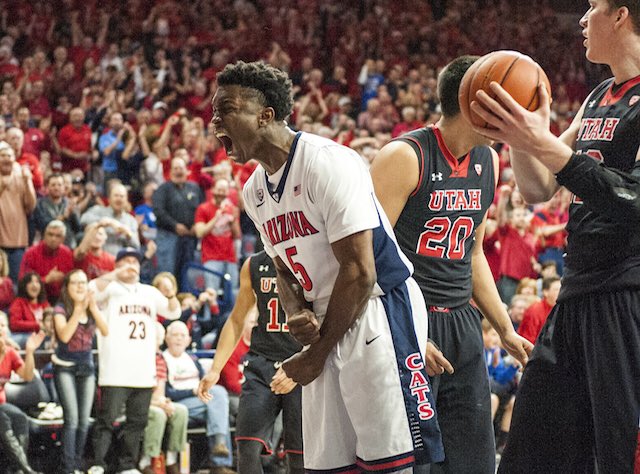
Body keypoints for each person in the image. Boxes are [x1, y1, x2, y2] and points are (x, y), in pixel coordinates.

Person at [211, 61, 443, 472]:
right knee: (329, 465)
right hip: (326, 318)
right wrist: (296, 309)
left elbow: (359, 270)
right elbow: (281, 266)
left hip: (378, 308)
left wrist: (316, 354)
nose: (215, 122)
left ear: (265, 115)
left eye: (225, 110)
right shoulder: (253, 191)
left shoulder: (327, 162)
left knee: (391, 463)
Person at [471, 1, 640, 471]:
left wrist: (539, 140)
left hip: (627, 294)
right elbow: (537, 187)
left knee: (619, 452)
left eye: (592, 8)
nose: (583, 20)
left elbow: (634, 199)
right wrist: (521, 135)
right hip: (577, 293)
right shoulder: (599, 96)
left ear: (622, 14)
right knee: (533, 450)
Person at [370, 56, 532, 474]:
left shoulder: (490, 161)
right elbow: (368, 256)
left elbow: (473, 251)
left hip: (462, 323)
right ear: (473, 103)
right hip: (409, 320)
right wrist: (408, 334)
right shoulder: (403, 157)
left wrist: (504, 327)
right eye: (502, 101)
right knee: (415, 463)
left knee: (473, 461)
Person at [198, 251, 303, 473]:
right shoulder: (254, 264)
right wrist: (215, 369)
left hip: (302, 364)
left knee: (300, 454)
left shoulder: (314, 256)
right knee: (247, 445)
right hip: (261, 364)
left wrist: (303, 366)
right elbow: (237, 319)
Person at [87, 247, 181, 474]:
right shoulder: (109, 288)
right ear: (117, 264)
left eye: (135, 262)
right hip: (115, 368)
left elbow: (173, 313)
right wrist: (115, 274)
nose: (132, 265)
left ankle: (127, 465)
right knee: (106, 420)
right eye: (126, 261)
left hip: (143, 368)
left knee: (136, 422)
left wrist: (169, 294)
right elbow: (91, 289)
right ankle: (99, 463)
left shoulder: (148, 292)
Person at [53, 269, 109, 474]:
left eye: (83, 283)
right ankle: (68, 467)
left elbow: (105, 330)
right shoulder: (60, 309)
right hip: (65, 368)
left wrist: (93, 308)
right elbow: (65, 336)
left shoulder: (91, 307)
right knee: (72, 420)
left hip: (87, 368)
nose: (80, 286)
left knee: (85, 420)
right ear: (67, 288)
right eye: (75, 282)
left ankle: (77, 464)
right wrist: (77, 311)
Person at [163, 321, 234, 473]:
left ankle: (219, 457)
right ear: (166, 338)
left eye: (183, 335)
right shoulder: (163, 359)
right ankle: (219, 463)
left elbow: (205, 383)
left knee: (218, 404)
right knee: (219, 404)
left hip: (200, 403)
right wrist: (192, 391)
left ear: (189, 340)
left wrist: (200, 391)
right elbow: (167, 393)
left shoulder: (192, 360)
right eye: (175, 335)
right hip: (177, 404)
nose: (179, 339)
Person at [139, 322, 188, 474]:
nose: (157, 345)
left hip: (153, 402)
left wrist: (163, 402)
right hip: (136, 403)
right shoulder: (137, 359)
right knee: (159, 414)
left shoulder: (160, 359)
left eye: (158, 340)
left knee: (180, 410)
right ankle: (146, 461)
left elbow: (159, 391)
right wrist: (159, 405)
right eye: (154, 340)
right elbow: (137, 395)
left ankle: (171, 460)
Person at [0, 316, 45, 474]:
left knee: (20, 418)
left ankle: (17, 470)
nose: (1, 329)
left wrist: (30, 352)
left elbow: (27, 376)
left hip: (1, 404)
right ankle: (26, 470)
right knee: (4, 419)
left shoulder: (10, 353)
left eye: (3, 325)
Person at [0, 142, 36, 283]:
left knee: (15, 283)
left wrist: (28, 182)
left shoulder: (20, 176)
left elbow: (30, 206)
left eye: (9, 155)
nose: (6, 159)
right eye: (2, 156)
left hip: (17, 240)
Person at [19, 220, 75, 304]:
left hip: (61, 299)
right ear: (44, 235)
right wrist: (46, 279)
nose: (53, 239)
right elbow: (22, 283)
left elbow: (72, 279)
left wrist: (64, 279)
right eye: (50, 234)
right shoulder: (31, 253)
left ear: (63, 239)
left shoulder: (67, 254)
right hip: (35, 299)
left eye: (57, 236)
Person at [8, 272, 50, 347]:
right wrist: (37, 325)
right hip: (24, 335)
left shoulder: (44, 303)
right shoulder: (18, 302)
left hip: (44, 335)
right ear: (24, 286)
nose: (34, 285)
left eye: (37, 282)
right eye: (30, 282)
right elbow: (14, 324)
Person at [517, 276, 561, 344]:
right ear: (545, 292)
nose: (560, 292)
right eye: (557, 289)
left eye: (561, 289)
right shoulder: (535, 310)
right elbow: (528, 340)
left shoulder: (561, 309)